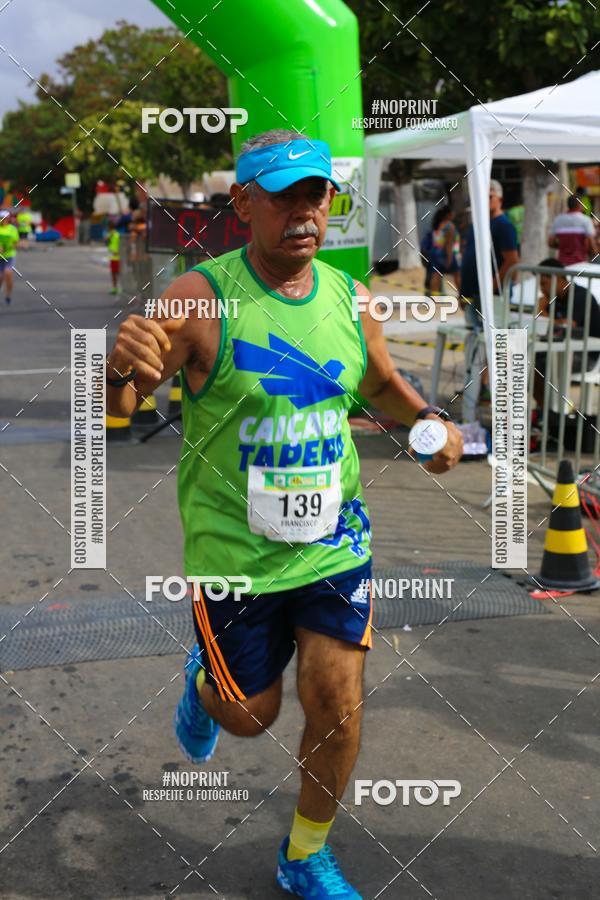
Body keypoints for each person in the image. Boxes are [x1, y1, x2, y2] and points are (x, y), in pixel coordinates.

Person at [106, 129, 463, 900]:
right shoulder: (198, 299)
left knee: (336, 701)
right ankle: (206, 685)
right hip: (234, 554)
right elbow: (124, 403)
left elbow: (378, 382)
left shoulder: (348, 295)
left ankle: (304, 855)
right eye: (284, 195)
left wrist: (428, 423)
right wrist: (115, 372)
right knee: (248, 716)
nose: (305, 212)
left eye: (316, 194)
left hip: (335, 545)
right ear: (243, 203)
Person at [459, 179, 519, 415]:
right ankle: (481, 387)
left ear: (499, 199)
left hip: (492, 296)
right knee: (476, 346)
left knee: (495, 345)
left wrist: (490, 286)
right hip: (473, 294)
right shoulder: (478, 223)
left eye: (489, 196)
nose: (484, 201)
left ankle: (498, 395)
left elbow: (512, 260)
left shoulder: (503, 225)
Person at [534, 258, 600, 409]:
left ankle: (552, 414)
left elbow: (567, 326)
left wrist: (542, 313)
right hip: (560, 351)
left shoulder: (580, 295)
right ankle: (547, 413)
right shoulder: (555, 299)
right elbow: (545, 328)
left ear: (556, 278)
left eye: (544, 284)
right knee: (529, 360)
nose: (542, 289)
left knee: (541, 365)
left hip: (587, 356)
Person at [548, 195, 597, 266]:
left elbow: (550, 242)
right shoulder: (586, 220)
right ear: (579, 204)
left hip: (562, 264)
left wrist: (564, 246)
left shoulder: (558, 220)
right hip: (580, 264)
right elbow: (592, 245)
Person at [429, 205, 460, 296]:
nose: (454, 214)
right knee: (457, 274)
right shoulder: (450, 225)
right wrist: (449, 257)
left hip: (435, 251)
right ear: (448, 215)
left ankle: (434, 297)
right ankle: (462, 295)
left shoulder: (438, 224)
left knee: (436, 275)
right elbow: (449, 242)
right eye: (452, 212)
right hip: (444, 252)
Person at [0, 209, 20, 304]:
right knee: (0, 277)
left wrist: (10, 246)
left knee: (8, 274)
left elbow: (16, 243)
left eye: (5, 218)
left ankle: (8, 295)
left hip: (9, 255)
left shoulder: (12, 229)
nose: (3, 220)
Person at [106, 221, 120, 294]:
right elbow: (107, 242)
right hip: (112, 257)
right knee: (113, 273)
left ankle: (119, 287)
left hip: (117, 257)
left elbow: (121, 245)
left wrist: (118, 251)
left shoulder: (117, 235)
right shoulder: (109, 235)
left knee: (118, 273)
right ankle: (114, 288)